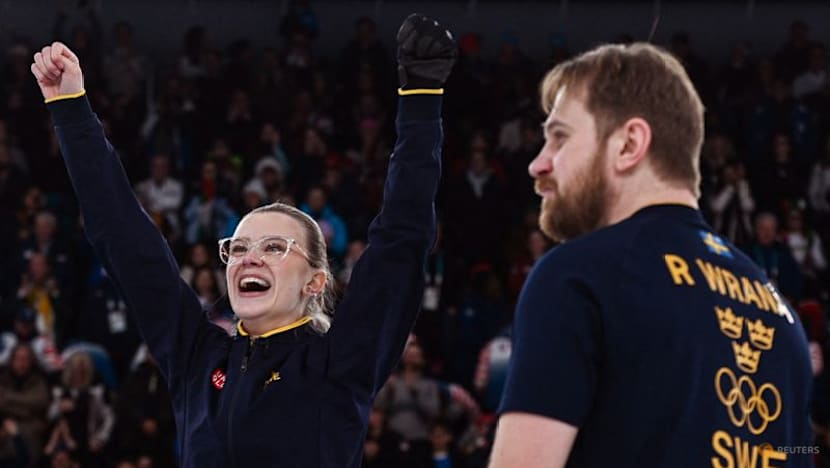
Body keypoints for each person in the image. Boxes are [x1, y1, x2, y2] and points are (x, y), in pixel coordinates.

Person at [30, 12, 456, 467]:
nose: (249, 258)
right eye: (238, 247)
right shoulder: (197, 355)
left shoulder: (340, 360)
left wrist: (421, 100)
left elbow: (401, 239)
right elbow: (122, 233)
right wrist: (72, 110)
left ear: (315, 280)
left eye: (274, 247)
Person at [488, 43, 813, 467]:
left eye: (559, 138)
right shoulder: (781, 316)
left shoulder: (577, 276)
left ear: (629, 144)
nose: (538, 164)